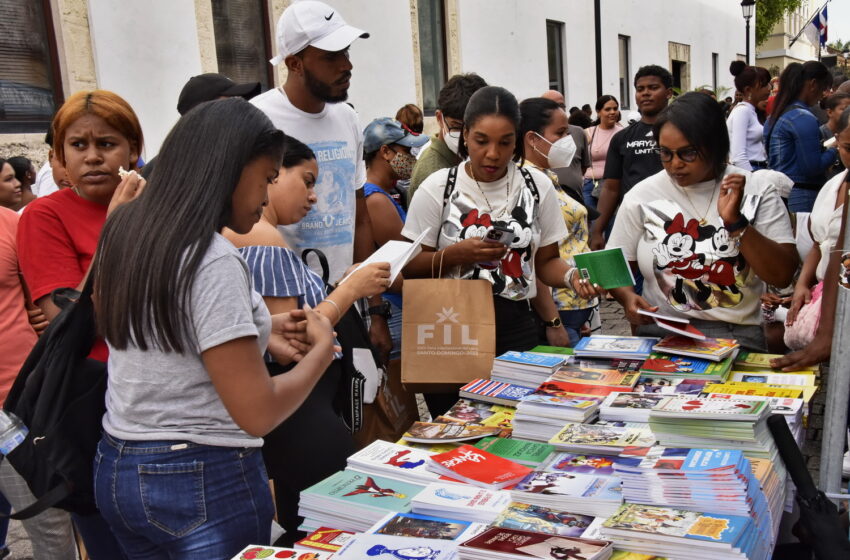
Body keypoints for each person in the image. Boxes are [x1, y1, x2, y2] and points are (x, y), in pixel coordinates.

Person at [92, 97, 339, 559]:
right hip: (200, 473)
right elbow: (257, 412)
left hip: (119, 464)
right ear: (228, 167)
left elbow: (162, 334)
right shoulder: (214, 258)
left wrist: (261, 326)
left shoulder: (128, 228)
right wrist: (322, 350)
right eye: (265, 178)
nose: (266, 197)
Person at [222, 133, 391, 545]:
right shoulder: (260, 237)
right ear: (271, 175)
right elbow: (294, 340)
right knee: (322, 534)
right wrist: (348, 290)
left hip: (301, 416)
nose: (314, 196)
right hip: (299, 421)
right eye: (308, 180)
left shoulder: (258, 236)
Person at [402, 86, 600, 415]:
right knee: (458, 431)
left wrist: (570, 277)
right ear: (464, 135)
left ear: (517, 140)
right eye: (481, 141)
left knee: (518, 424)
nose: (493, 153)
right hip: (451, 331)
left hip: (518, 329)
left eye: (505, 142)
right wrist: (454, 255)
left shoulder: (537, 186)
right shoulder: (438, 188)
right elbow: (410, 267)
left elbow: (544, 263)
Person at [16, 90, 143, 558]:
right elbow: (70, 321)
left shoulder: (159, 207)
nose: (93, 156)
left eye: (107, 143)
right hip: (95, 407)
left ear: (133, 149)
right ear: (58, 158)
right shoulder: (44, 216)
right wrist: (117, 225)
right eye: (78, 145)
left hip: (166, 401)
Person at [251, 0, 394, 362]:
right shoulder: (257, 120)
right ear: (294, 63)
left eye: (345, 51)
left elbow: (359, 217)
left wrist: (375, 311)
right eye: (331, 56)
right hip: (284, 310)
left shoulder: (347, 117)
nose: (347, 65)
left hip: (348, 304)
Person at [607, 92, 797, 351]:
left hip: (736, 336)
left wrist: (736, 224)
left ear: (714, 145)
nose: (674, 165)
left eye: (687, 153)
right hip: (662, 331)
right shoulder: (642, 195)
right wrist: (627, 296)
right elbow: (614, 265)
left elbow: (782, 274)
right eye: (665, 153)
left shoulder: (755, 189)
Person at [0, 205, 77, 560]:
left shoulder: (11, 223)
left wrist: (44, 317)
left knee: (50, 524)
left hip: (14, 407)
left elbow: (45, 298)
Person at [520, 97, 599, 346]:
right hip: (556, 307)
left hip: (574, 303)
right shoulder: (527, 184)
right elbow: (533, 260)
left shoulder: (547, 177)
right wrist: (553, 322)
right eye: (560, 133)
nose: (568, 141)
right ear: (533, 138)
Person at [361, 117, 428, 358]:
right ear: (385, 152)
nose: (411, 157)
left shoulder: (384, 194)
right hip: (395, 308)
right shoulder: (376, 199)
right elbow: (406, 262)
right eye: (406, 150)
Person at [784, 107, 850, 349]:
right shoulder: (832, 186)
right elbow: (818, 243)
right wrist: (802, 284)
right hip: (825, 298)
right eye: (848, 149)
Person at [590, 65, 672, 250]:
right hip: (633, 221)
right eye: (640, 89)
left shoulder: (681, 133)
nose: (645, 94)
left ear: (668, 93)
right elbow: (611, 188)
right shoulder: (621, 138)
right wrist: (597, 230)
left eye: (653, 88)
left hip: (673, 222)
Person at [764, 61, 838, 213]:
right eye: (823, 88)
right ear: (813, 84)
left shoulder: (776, 115)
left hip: (776, 195)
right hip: (801, 197)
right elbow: (812, 167)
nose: (823, 95)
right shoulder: (803, 118)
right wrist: (835, 149)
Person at [408, 73, 488, 200]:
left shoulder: (464, 158)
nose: (464, 136)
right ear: (439, 118)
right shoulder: (431, 173)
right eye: (456, 126)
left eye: (473, 129)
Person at [541, 90, 593, 203]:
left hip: (576, 200)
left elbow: (583, 168)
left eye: (561, 105)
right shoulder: (535, 136)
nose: (558, 109)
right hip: (547, 201)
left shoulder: (578, 132)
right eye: (552, 105)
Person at [726, 61, 772, 171]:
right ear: (748, 90)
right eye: (764, 85)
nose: (769, 88)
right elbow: (738, 156)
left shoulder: (750, 111)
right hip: (751, 169)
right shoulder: (743, 112)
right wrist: (752, 180)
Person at [583, 95, 624, 209]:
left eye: (615, 109)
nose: (613, 112)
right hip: (589, 185)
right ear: (598, 111)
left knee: (609, 224)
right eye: (607, 109)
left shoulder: (624, 133)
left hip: (613, 186)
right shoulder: (588, 132)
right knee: (591, 224)